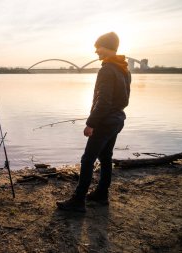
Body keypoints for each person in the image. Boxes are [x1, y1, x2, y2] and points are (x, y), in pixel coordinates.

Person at [57, 32, 131, 212]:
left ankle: (78, 200)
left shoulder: (107, 69)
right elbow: (124, 99)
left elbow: (103, 101)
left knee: (88, 159)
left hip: (105, 122)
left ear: (107, 47)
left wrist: (91, 123)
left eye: (98, 47)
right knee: (106, 157)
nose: (96, 51)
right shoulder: (124, 68)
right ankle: (101, 194)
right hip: (117, 119)